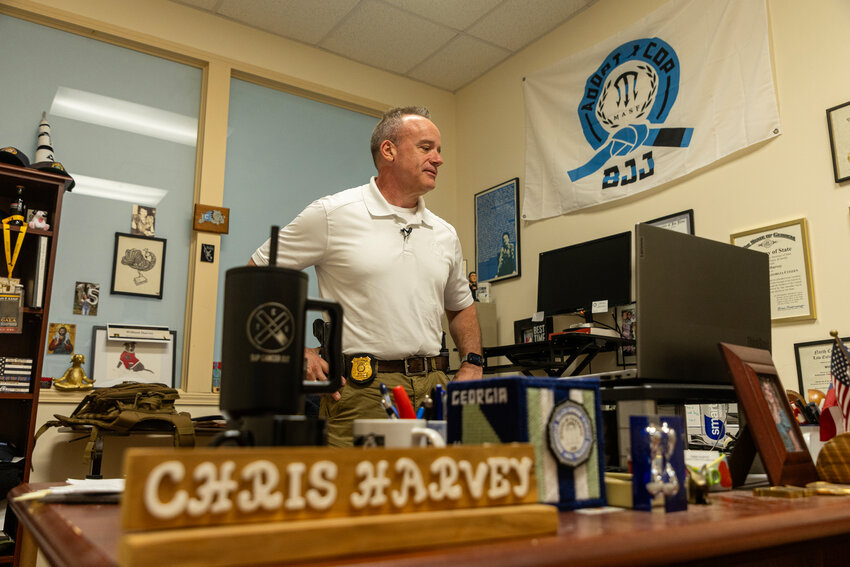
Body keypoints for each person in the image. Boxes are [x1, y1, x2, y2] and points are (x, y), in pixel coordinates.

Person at [249, 106, 483, 446]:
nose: (438, 159)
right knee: (355, 496)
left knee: (430, 495)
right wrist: (295, 349)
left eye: (440, 150)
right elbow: (256, 277)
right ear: (388, 151)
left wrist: (473, 363)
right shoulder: (333, 214)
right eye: (426, 147)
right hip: (360, 391)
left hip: (435, 387)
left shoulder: (444, 232)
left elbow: (461, 306)